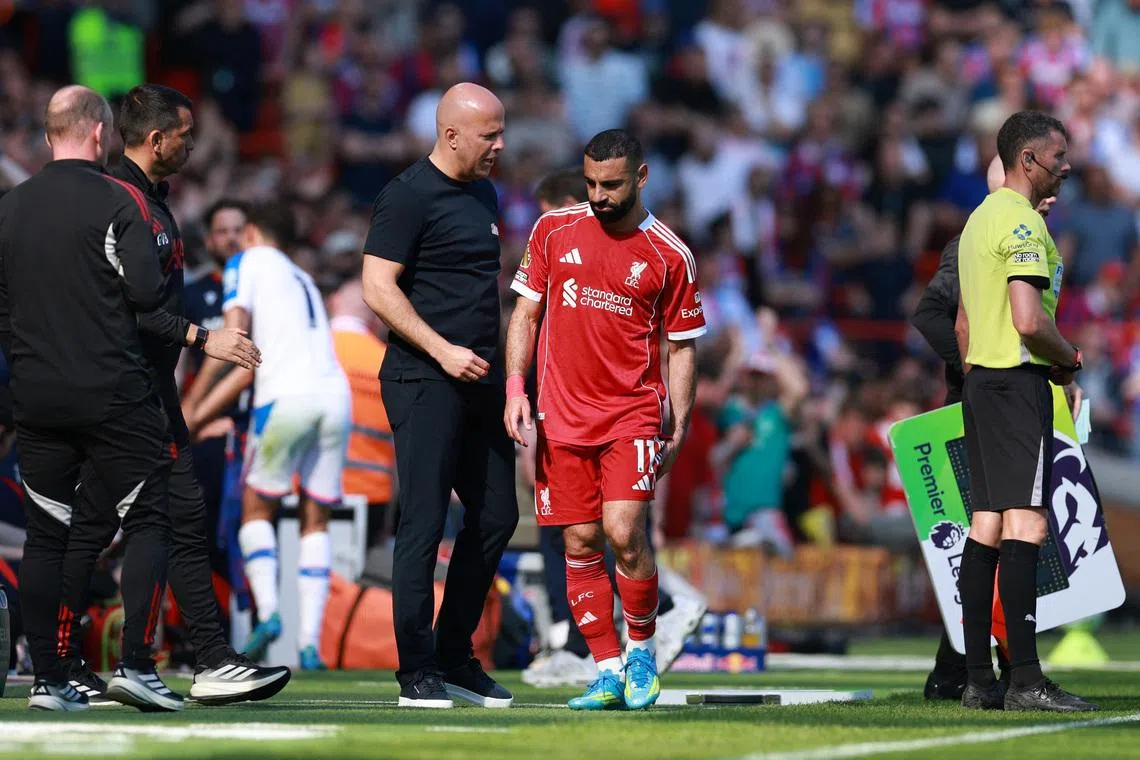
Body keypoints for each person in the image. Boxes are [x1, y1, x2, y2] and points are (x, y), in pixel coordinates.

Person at [55, 85, 288, 708]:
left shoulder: (149, 202)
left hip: (152, 395)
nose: (193, 143)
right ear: (156, 139)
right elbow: (130, 310)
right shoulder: (122, 204)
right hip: (126, 398)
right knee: (124, 525)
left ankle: (204, 657)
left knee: (169, 521)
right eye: (185, 133)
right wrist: (202, 338)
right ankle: (92, 661)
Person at [505, 129, 706, 711]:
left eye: (611, 184)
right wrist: (515, 389)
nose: (598, 194)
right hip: (560, 416)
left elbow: (683, 348)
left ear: (640, 178)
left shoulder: (669, 253)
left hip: (631, 415)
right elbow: (525, 313)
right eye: (591, 182)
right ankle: (607, 668)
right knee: (579, 538)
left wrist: (681, 424)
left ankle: (642, 649)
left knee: (623, 531)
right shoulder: (552, 230)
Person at [0, 85, 172, 711]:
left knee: (48, 534)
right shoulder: (117, 198)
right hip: (112, 392)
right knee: (151, 514)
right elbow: (148, 296)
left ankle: (48, 678)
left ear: (50, 136)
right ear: (100, 134)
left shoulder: (10, 208)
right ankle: (136, 666)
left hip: (37, 396)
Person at [362, 82, 518, 709]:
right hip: (425, 377)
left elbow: (485, 294)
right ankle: (416, 669)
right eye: (490, 135)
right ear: (451, 134)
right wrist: (441, 349)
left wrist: (509, 374)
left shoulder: (484, 192)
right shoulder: (406, 196)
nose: (501, 145)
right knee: (423, 523)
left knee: (499, 516)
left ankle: (455, 655)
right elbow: (377, 286)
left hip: (481, 379)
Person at [955, 110, 1094, 712]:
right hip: (1017, 381)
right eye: (1059, 154)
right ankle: (1027, 680)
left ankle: (979, 680)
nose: (1067, 164)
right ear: (1030, 159)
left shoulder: (980, 218)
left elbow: (964, 321)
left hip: (982, 382)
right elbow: (1029, 320)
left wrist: (977, 375)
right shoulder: (1021, 226)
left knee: (985, 524)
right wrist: (1071, 361)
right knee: (1027, 525)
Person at [911, 154, 1056, 701]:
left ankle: (964, 673)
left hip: (990, 390)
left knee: (990, 526)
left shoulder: (993, 230)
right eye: (1051, 167)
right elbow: (935, 314)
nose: (1057, 181)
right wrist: (972, 364)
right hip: (995, 392)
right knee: (1011, 525)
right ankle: (1008, 674)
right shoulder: (991, 231)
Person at [185, 204, 351, 672]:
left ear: (254, 233)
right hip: (334, 398)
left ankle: (271, 612)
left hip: (286, 397)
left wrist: (191, 412)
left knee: (257, 508)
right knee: (316, 519)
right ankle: (309, 646)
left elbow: (234, 343)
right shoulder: (302, 278)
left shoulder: (247, 262)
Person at [328, 278, 395, 546]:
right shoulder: (385, 361)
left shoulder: (313, 349)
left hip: (309, 489)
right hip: (371, 491)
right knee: (357, 583)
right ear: (377, 321)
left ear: (333, 303)